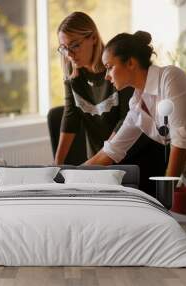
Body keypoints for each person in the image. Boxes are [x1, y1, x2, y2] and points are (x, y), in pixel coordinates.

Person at [85, 31, 186, 216]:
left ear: (131, 63)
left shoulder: (170, 77)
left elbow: (181, 140)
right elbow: (111, 151)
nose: (107, 76)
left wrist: (165, 198)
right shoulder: (136, 104)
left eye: (109, 67)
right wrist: (67, 175)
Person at [55, 12, 166, 196]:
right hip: (100, 156)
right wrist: (56, 165)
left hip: (132, 156)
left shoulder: (116, 68)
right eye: (64, 48)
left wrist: (105, 156)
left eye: (74, 45)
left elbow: (126, 118)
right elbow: (70, 119)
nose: (69, 54)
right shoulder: (73, 78)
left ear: (92, 38)